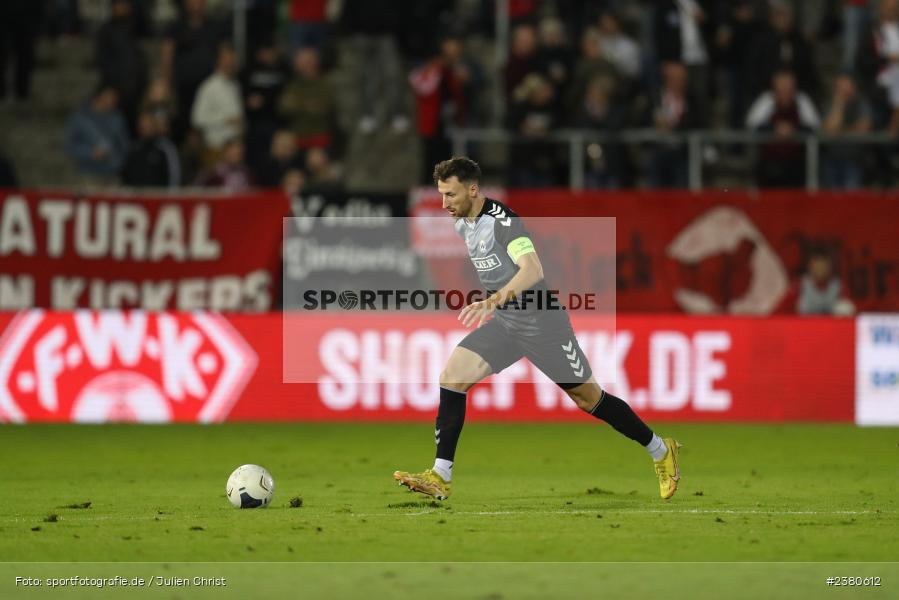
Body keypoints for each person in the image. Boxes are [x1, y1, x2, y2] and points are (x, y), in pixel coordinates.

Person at [394, 157, 682, 501]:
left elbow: (533, 270)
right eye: (441, 195)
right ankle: (441, 476)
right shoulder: (462, 222)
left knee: (589, 399)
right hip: (507, 323)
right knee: (452, 378)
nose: (445, 204)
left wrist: (492, 300)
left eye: (451, 195)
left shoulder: (504, 223)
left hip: (542, 324)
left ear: (473, 189)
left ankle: (659, 449)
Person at [746, 70, 820, 188]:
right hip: (769, 165)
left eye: (789, 88)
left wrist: (794, 131)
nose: (785, 91)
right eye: (781, 87)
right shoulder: (766, 100)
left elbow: (814, 128)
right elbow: (752, 127)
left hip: (796, 165)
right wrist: (774, 130)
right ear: (774, 88)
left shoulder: (802, 100)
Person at [95, 0, 148, 134]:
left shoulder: (134, 29)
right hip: (116, 88)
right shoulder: (106, 31)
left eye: (126, 4)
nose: (123, 8)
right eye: (120, 4)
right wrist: (112, 87)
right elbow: (104, 61)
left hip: (136, 89)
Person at [63, 84, 130, 181]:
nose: (111, 101)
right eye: (108, 97)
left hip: (111, 173)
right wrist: (90, 152)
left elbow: (124, 145)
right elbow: (68, 145)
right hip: (86, 173)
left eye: (114, 98)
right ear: (98, 96)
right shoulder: (79, 118)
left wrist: (117, 162)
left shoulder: (117, 118)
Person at [191, 43, 244, 156]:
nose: (230, 64)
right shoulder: (208, 87)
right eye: (227, 61)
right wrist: (226, 120)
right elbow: (197, 118)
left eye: (233, 61)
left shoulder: (236, 85)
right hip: (216, 148)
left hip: (236, 148)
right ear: (219, 62)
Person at [822, 74, 872, 190]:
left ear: (853, 87)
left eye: (845, 86)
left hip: (854, 159)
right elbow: (830, 130)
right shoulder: (831, 104)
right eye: (839, 87)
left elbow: (863, 130)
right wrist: (839, 104)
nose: (842, 90)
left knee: (852, 197)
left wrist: (841, 131)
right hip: (832, 158)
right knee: (830, 199)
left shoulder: (862, 103)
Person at [121, 110, 181, 188]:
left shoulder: (165, 148)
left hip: (159, 196)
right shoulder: (134, 148)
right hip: (136, 196)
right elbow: (126, 175)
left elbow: (174, 175)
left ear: (155, 126)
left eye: (148, 126)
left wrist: (171, 194)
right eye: (143, 126)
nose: (145, 129)